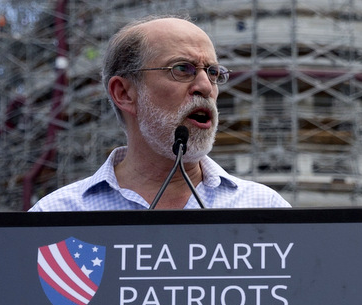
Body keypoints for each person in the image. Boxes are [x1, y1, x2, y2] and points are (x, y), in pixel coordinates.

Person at [30, 15, 289, 212]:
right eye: (182, 69)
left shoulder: (264, 208)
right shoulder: (56, 214)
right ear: (124, 93)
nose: (205, 87)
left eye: (212, 72)